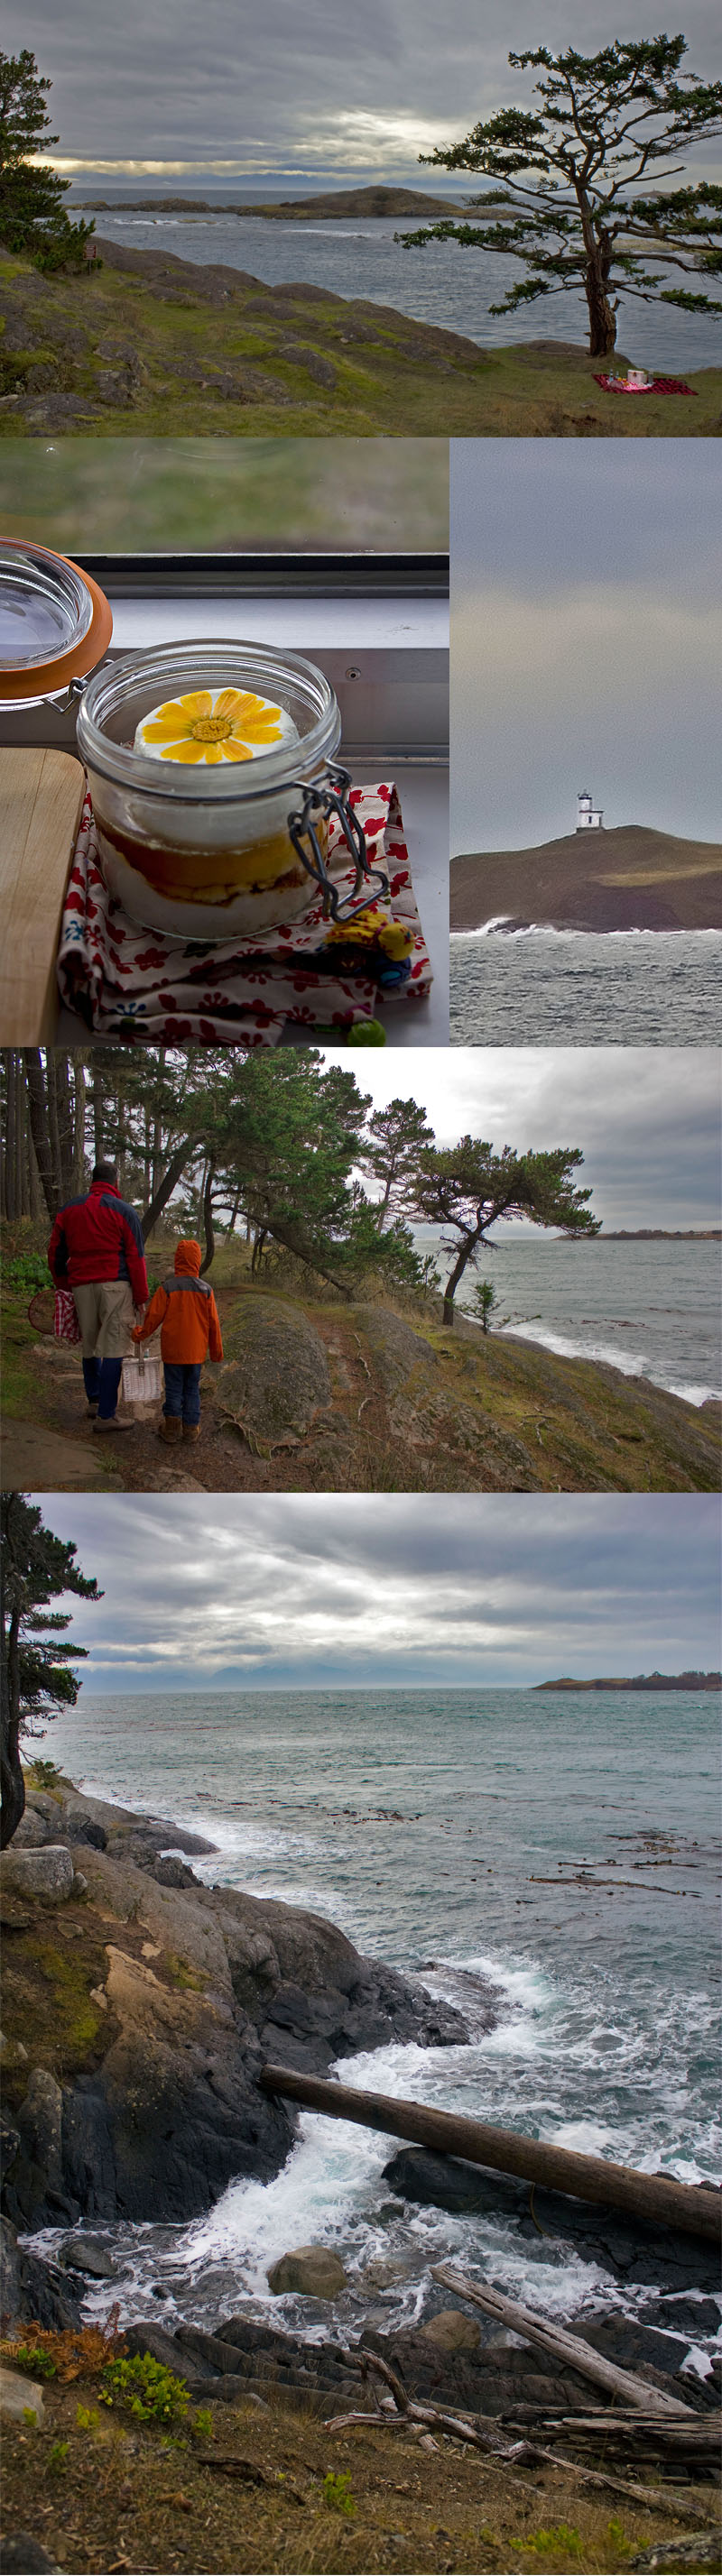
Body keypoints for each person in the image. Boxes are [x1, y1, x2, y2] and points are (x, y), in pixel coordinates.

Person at [47, 1160, 149, 1432]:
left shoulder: (69, 1210)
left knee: (90, 1344)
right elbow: (136, 1257)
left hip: (81, 1285)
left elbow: (56, 1252)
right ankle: (107, 1415)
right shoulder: (124, 1211)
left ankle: (93, 1402)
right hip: (115, 1284)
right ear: (115, 1181)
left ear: (93, 1180)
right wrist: (141, 1295)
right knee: (114, 1347)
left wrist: (64, 1285)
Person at [131, 1237, 223, 1443]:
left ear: (177, 1261)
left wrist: (139, 1334)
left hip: (173, 1351)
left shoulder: (168, 1288)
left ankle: (171, 1430)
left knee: (173, 1388)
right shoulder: (206, 1290)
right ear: (197, 1261)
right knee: (191, 1389)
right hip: (196, 1353)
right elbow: (214, 1324)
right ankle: (191, 1429)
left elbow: (153, 1317)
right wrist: (216, 1353)